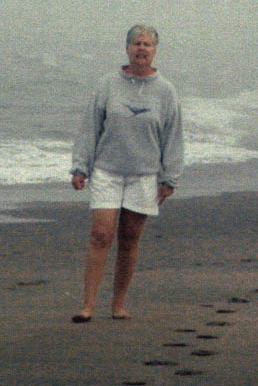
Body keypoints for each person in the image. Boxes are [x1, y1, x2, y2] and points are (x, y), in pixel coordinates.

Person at [69, 24, 184, 322]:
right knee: (100, 235)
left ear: (156, 50)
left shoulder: (166, 91)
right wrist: (81, 166)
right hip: (108, 170)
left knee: (130, 238)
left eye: (147, 44)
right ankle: (87, 306)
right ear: (127, 48)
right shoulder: (108, 84)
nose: (141, 49)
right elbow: (90, 127)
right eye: (136, 43)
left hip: (144, 174)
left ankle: (118, 305)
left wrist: (169, 178)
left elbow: (172, 136)